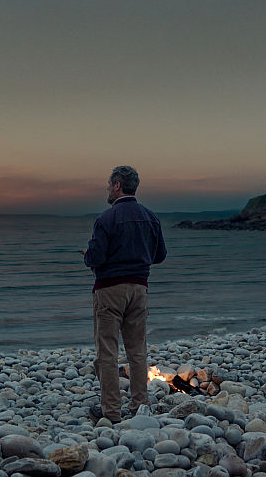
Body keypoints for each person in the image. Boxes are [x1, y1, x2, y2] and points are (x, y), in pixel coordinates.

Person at [81, 165, 167, 423]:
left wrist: (88, 256)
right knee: (137, 350)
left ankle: (111, 411)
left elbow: (96, 257)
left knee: (107, 352)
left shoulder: (106, 219)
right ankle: (140, 404)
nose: (107, 188)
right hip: (139, 288)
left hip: (110, 289)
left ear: (117, 185)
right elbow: (159, 255)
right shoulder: (151, 217)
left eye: (109, 184)